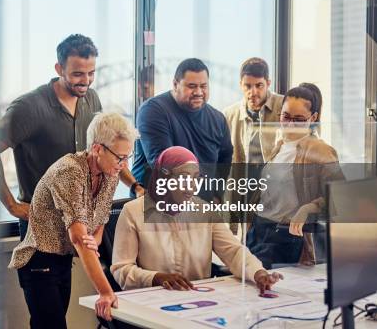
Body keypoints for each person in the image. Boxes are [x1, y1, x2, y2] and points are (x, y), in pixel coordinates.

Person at [9, 113, 138, 329]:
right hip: (39, 260)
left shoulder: (110, 174)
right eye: (119, 157)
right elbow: (78, 236)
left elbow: (99, 222)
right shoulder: (70, 171)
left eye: (128, 157)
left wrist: (93, 240)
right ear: (97, 149)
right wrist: (106, 292)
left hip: (63, 259)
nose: (123, 165)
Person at [0, 34, 102, 239]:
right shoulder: (28, 107)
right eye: (78, 74)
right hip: (40, 223)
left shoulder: (91, 98)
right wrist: (12, 206)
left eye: (91, 73)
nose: (86, 81)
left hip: (79, 220)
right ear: (59, 69)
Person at [111, 146, 283, 292]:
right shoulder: (132, 212)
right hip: (151, 301)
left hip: (199, 299)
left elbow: (234, 251)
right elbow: (122, 270)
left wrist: (258, 273)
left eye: (196, 178)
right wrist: (155, 278)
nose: (192, 186)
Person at [246, 83, 344, 269]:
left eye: (298, 119)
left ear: (313, 118)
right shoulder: (280, 145)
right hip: (259, 230)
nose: (290, 124)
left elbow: (340, 195)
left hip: (287, 236)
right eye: (286, 116)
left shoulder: (321, 151)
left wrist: (308, 208)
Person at [131, 58, 233, 201]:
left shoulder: (218, 119)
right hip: (158, 208)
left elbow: (225, 158)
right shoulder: (152, 111)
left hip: (202, 208)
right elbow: (164, 167)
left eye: (203, 86)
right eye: (191, 86)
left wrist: (216, 194)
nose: (198, 92)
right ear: (175, 84)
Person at [224, 58, 283, 232]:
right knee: (242, 244)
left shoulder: (283, 107)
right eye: (247, 86)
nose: (253, 92)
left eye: (259, 85)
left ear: (268, 83)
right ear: (240, 84)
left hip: (274, 189)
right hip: (243, 190)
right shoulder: (229, 114)